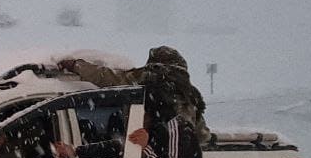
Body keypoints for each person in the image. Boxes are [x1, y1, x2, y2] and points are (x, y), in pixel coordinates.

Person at [55, 46, 210, 147]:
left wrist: (76, 66)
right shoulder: (190, 94)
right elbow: (201, 135)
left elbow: (106, 77)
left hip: (147, 152)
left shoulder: (145, 80)